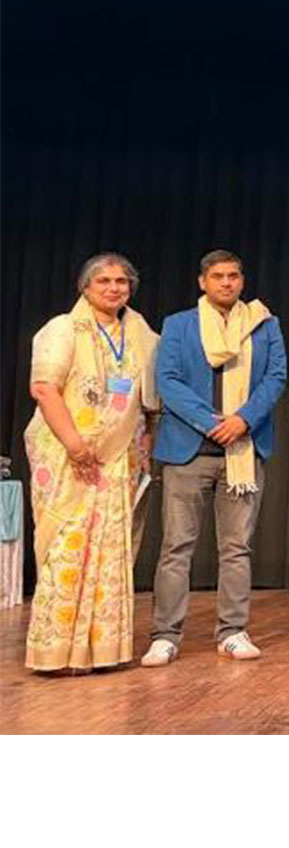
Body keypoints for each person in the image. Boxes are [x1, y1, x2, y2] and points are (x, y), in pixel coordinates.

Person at [143, 250, 287, 667]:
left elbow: (275, 377)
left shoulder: (264, 323)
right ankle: (165, 635)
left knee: (237, 547)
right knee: (176, 547)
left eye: (234, 276)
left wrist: (242, 420)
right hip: (189, 450)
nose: (227, 283)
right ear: (202, 282)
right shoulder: (179, 324)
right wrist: (211, 422)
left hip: (243, 449)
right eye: (218, 276)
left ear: (242, 281)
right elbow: (167, 381)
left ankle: (233, 631)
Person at [23, 253, 160, 673]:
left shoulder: (142, 335)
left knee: (112, 552)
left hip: (119, 460)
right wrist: (77, 447)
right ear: (85, 287)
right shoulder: (62, 329)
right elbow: (44, 390)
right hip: (68, 457)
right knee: (67, 546)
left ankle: (103, 651)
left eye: (122, 281)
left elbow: (150, 403)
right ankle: (54, 651)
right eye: (104, 281)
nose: (114, 288)